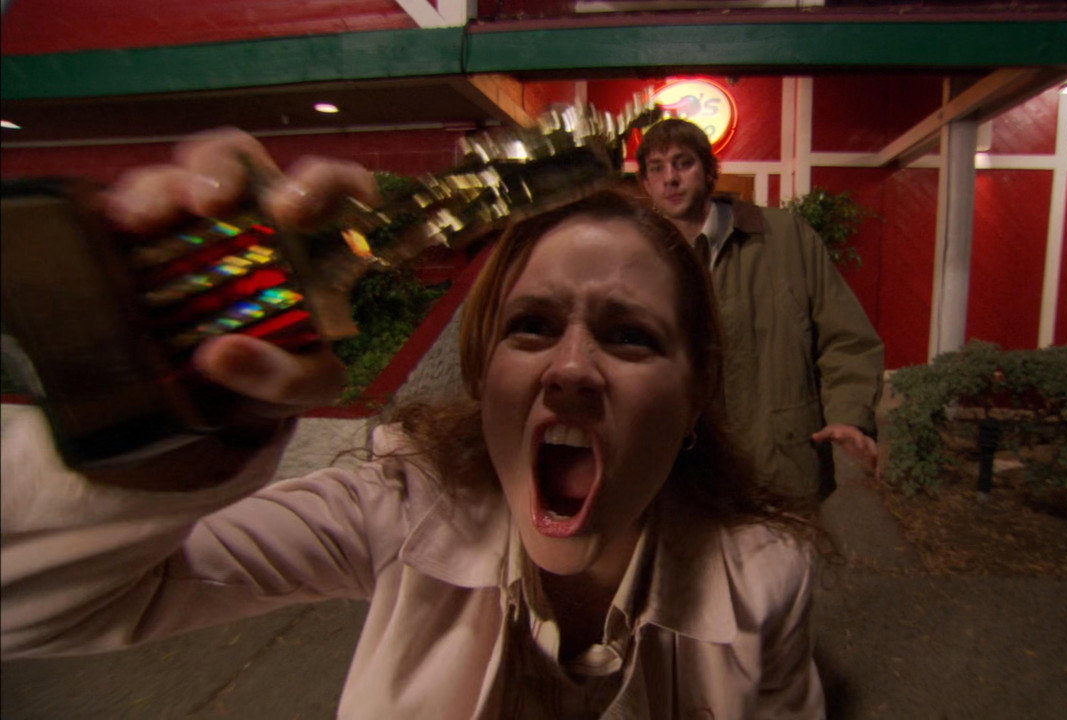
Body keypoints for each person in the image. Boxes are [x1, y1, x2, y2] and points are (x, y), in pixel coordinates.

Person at [0, 129, 825, 718]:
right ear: (483, 375)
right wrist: (155, 432)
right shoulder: (398, 510)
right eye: (531, 326)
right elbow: (33, 606)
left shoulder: (764, 580)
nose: (570, 368)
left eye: (630, 335)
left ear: (695, 392)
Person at [637, 118, 885, 501]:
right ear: (646, 184)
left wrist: (849, 415)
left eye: (683, 163)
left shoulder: (784, 237)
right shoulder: (640, 259)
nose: (670, 178)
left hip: (782, 466)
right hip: (682, 476)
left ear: (709, 171)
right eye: (657, 168)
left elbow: (847, 339)